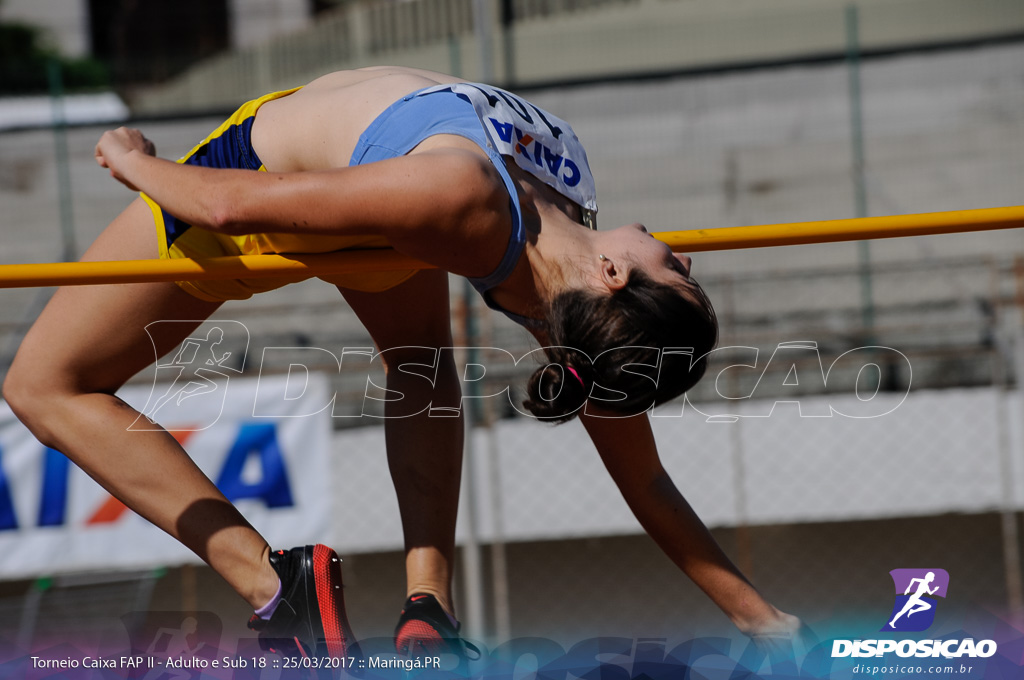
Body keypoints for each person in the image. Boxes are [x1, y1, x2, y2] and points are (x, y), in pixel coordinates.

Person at [2, 66, 798, 658]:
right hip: (380, 213)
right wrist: (760, 620)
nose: (684, 252)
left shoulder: (471, 202)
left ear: (616, 277)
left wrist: (131, 156)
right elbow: (647, 480)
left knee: (42, 385)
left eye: (680, 271)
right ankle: (430, 613)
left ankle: (272, 583)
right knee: (418, 363)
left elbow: (221, 205)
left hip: (259, 185)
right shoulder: (555, 290)